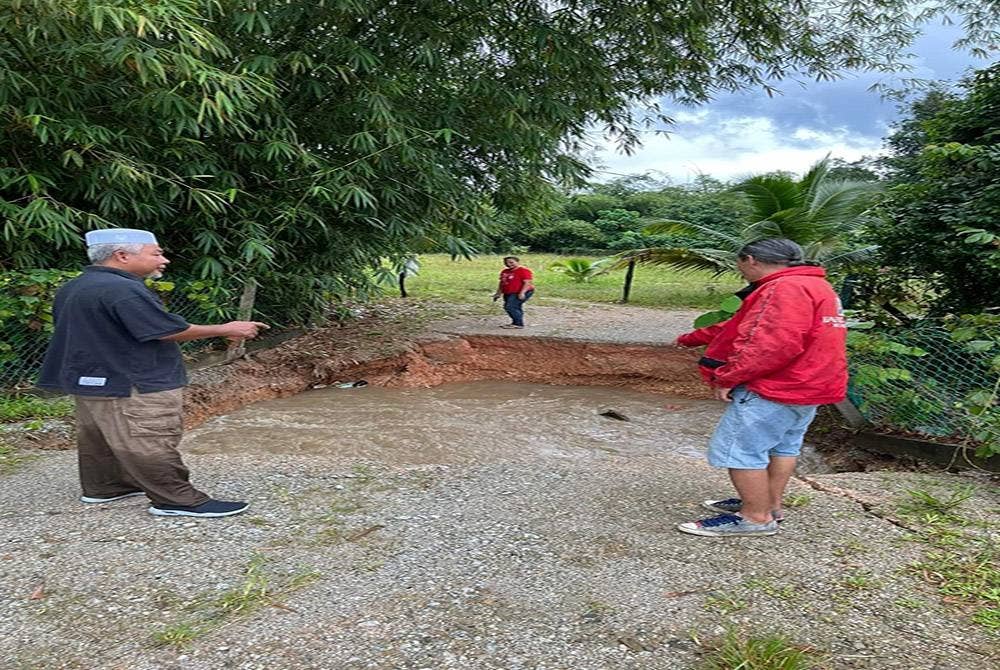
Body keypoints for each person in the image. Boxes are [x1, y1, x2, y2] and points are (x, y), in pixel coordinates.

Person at [37, 229, 269, 518]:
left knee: (99, 437)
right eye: (156, 253)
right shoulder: (123, 289)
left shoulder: (77, 286)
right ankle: (176, 500)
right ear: (121, 255)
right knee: (150, 435)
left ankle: (106, 487)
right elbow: (165, 330)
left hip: (92, 378)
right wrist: (227, 329)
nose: (165, 260)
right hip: (133, 381)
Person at [673, 238, 847, 537]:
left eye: (740, 264)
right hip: (812, 383)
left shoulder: (782, 288)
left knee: (739, 449)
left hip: (778, 386)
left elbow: (770, 344)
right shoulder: (816, 285)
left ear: (750, 260)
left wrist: (728, 377)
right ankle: (771, 506)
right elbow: (740, 326)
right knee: (783, 446)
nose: (740, 271)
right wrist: (691, 338)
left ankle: (754, 517)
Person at [493, 256, 534, 329]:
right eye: (506, 263)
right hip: (508, 292)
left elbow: (527, 283)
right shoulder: (505, 271)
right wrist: (498, 293)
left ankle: (518, 323)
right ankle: (517, 322)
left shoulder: (523, 271)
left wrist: (522, 293)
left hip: (520, 291)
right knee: (515, 307)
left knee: (510, 306)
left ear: (517, 262)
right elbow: (502, 283)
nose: (509, 264)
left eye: (511, 262)